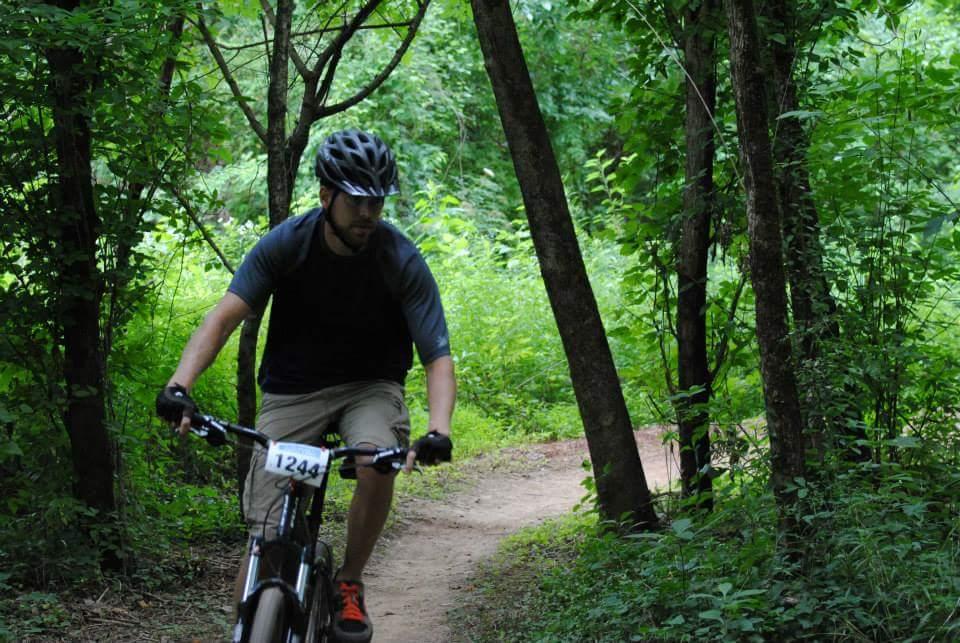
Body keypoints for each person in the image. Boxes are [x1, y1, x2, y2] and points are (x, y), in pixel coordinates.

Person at [156, 129, 455, 643]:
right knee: (265, 540)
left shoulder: (398, 259)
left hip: (370, 386)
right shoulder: (288, 244)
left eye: (377, 201)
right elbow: (223, 318)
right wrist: (179, 385)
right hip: (293, 390)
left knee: (375, 458)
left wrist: (438, 429)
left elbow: (437, 356)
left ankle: (350, 582)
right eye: (357, 200)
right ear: (326, 196)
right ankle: (250, 623)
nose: (368, 213)